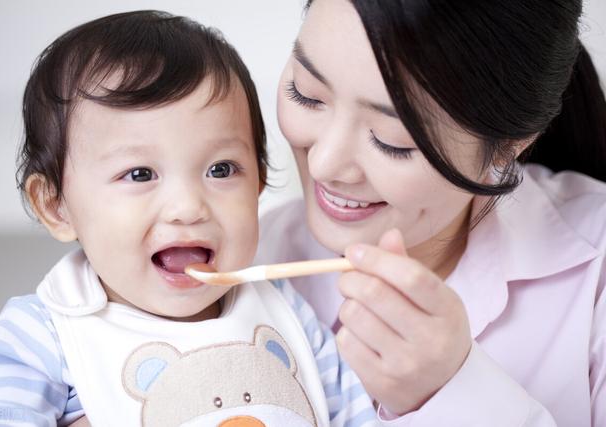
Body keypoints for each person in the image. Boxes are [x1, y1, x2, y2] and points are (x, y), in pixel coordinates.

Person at [0, 11, 379, 427]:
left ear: (258, 183)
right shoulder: (42, 335)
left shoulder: (287, 311)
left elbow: (359, 416)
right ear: (57, 206)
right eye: (140, 174)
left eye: (221, 170)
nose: (187, 207)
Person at [256, 0, 606, 425]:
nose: (323, 164)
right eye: (306, 95)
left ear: (513, 141)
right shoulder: (254, 258)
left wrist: (452, 392)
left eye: (392, 140)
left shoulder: (595, 275)